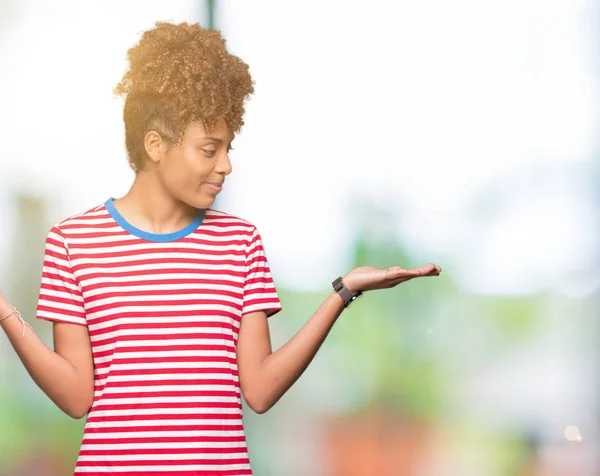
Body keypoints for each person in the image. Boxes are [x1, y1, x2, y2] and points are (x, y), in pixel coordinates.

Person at [0, 21, 441, 475]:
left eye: (228, 148)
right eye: (209, 150)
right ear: (155, 144)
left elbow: (260, 390)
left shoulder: (239, 243)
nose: (226, 165)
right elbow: (76, 398)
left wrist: (343, 292)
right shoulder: (74, 242)